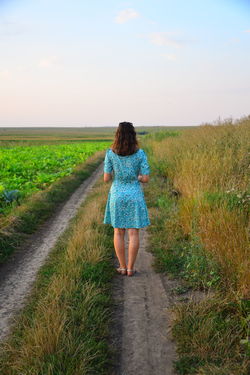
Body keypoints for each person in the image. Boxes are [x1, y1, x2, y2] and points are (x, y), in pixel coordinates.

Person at [103, 121, 150, 277]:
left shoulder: (110, 153)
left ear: (117, 134)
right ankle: (131, 268)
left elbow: (106, 178)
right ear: (133, 135)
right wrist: (137, 177)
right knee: (133, 233)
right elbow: (145, 178)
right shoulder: (140, 153)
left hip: (117, 194)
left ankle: (122, 267)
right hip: (134, 194)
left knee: (118, 232)